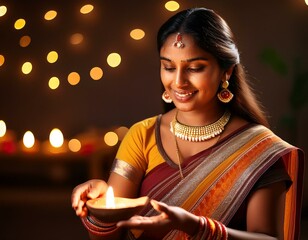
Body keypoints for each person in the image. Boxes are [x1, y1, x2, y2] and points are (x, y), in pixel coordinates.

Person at [71, 7, 304, 240]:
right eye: (169, 67)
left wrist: (197, 227)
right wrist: (101, 206)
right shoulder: (142, 135)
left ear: (227, 71)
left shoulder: (256, 148)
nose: (179, 82)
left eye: (194, 68)